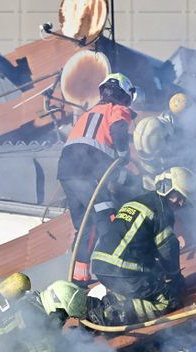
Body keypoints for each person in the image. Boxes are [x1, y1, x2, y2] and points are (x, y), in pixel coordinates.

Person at [87, 167, 196, 326]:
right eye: (179, 197)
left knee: (151, 285)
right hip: (122, 270)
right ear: (168, 189)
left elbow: (139, 244)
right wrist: (174, 276)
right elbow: (167, 248)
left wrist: (158, 273)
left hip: (102, 267)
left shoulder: (139, 201)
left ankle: (110, 303)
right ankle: (109, 315)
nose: (181, 203)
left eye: (184, 200)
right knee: (168, 299)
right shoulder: (162, 212)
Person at [57, 73, 137, 287]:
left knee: (85, 225)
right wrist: (123, 153)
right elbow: (118, 128)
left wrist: (123, 175)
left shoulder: (89, 114)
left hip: (67, 171)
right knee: (106, 217)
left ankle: (79, 278)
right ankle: (118, 269)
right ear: (124, 95)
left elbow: (102, 163)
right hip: (85, 170)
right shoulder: (117, 109)